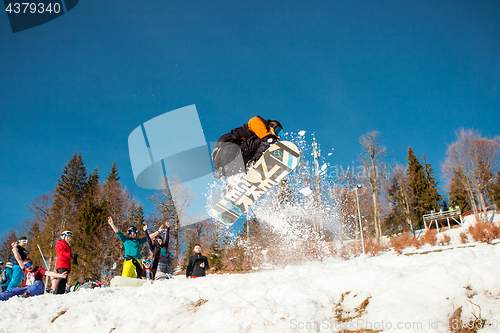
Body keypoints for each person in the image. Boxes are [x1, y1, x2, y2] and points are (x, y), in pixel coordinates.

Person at [212, 116, 284, 178]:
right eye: (278, 131)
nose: (278, 136)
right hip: (226, 151)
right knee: (266, 141)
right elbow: (253, 121)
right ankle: (252, 165)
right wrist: (269, 139)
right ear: (271, 126)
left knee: (265, 144)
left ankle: (237, 181)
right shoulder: (258, 123)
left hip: (227, 166)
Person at [0, 242, 67, 301]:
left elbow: (49, 273)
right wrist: (14, 248)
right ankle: (1, 297)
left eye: (30, 264)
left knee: (38, 283)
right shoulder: (25, 270)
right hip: (26, 288)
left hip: (37, 288)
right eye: (26, 266)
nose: (29, 267)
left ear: (32, 264)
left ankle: (27, 294)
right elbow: (18, 258)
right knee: (12, 291)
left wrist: (60, 275)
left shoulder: (39, 269)